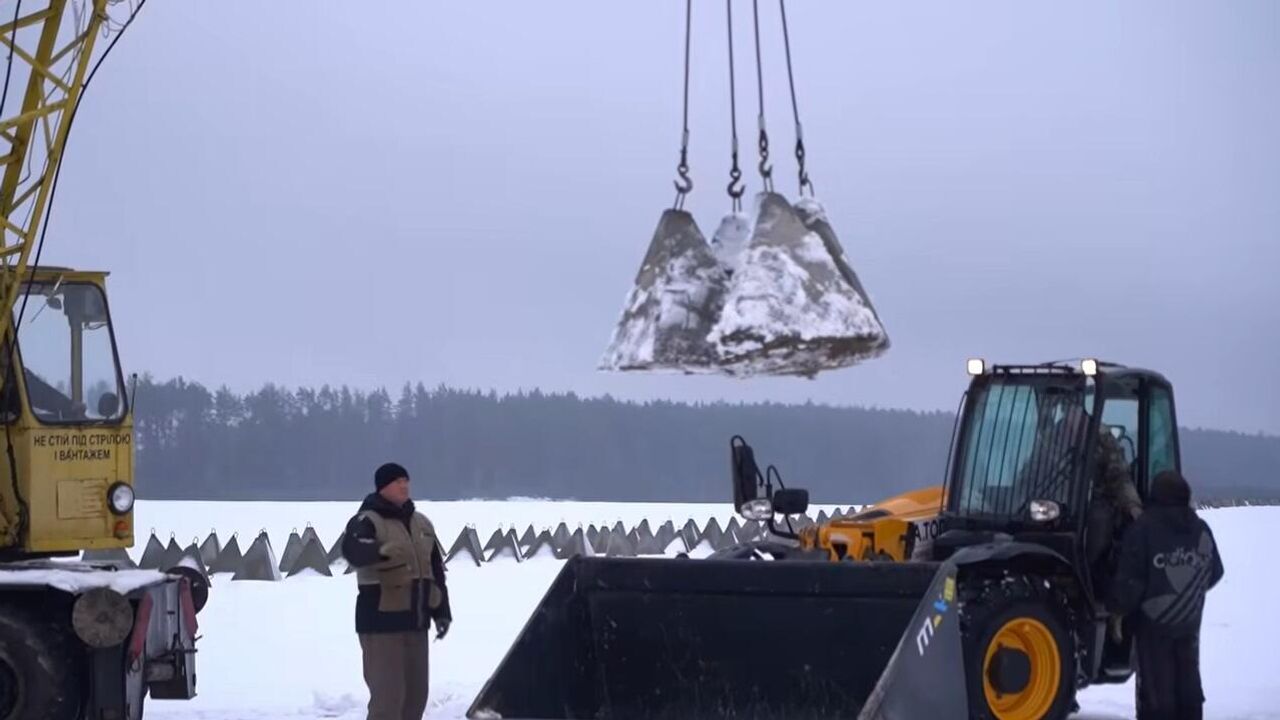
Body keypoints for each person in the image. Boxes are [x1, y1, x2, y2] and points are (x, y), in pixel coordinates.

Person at [1109, 470, 1224, 720]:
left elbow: (1130, 583)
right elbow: (1215, 572)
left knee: (1157, 689)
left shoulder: (1143, 529)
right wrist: (1189, 596)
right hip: (1189, 623)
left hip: (1153, 624)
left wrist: (1116, 610)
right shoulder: (1200, 528)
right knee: (1188, 682)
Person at [342, 462, 452, 720]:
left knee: (415, 698)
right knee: (388, 701)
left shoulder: (422, 523)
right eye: (397, 481)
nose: (404, 485)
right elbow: (353, 551)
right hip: (381, 626)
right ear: (383, 487)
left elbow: (436, 571)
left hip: (416, 623)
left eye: (406, 480)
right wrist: (379, 552)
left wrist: (442, 611)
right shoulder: (366, 520)